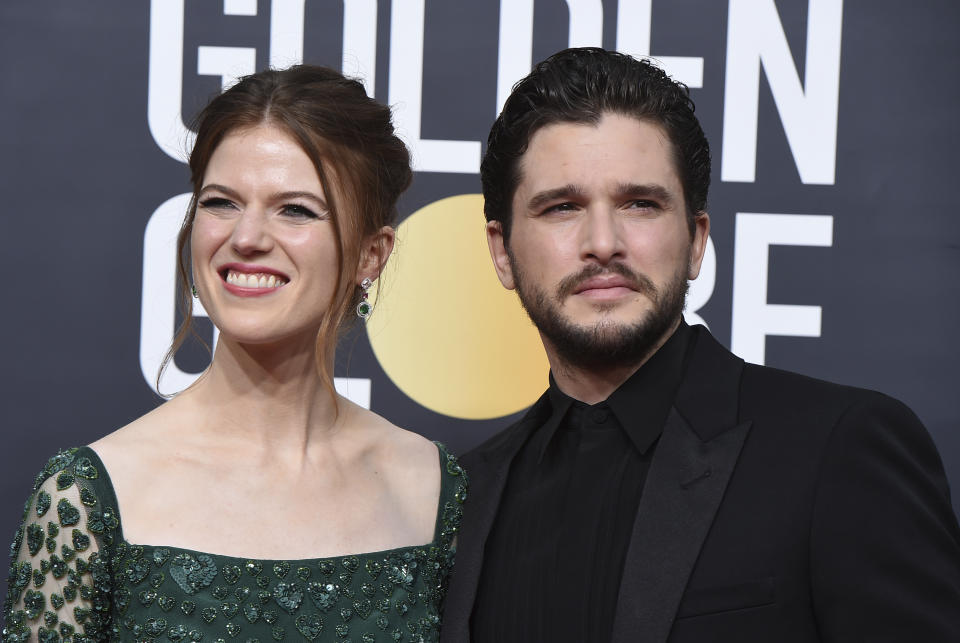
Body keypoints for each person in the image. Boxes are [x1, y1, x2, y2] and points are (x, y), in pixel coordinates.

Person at [440, 48, 960, 642]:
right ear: (502, 251)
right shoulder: (466, 494)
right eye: (562, 207)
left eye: (641, 203)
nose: (603, 242)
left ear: (696, 239)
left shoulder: (840, 448)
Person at [3, 65, 466, 643]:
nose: (246, 237)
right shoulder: (89, 497)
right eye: (221, 203)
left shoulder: (429, 488)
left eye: (295, 209)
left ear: (372, 254)